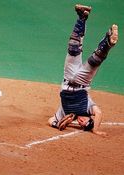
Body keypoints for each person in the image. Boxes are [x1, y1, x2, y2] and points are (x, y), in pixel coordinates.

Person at [48, 4, 118, 136]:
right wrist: (95, 130)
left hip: (67, 78)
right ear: (89, 119)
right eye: (85, 121)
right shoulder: (88, 108)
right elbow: (99, 113)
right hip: (82, 81)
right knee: (94, 60)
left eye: (80, 124)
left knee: (73, 48)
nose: (80, 121)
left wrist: (58, 124)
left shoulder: (66, 113)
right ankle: (108, 42)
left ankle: (82, 15)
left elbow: (50, 120)